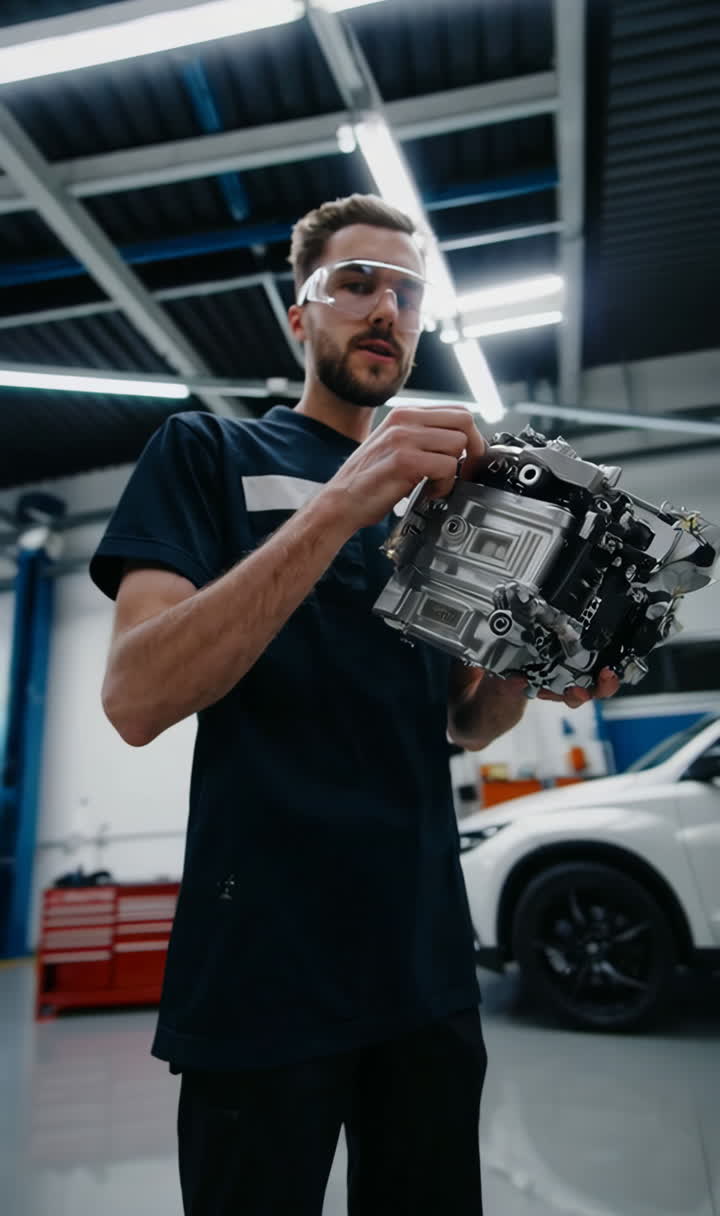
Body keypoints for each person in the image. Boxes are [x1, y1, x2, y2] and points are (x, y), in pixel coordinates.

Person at [91, 194, 619, 1215]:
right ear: (300, 315)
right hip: (262, 967)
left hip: (422, 961)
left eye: (409, 291)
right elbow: (136, 693)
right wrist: (340, 503)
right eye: (358, 282)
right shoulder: (206, 455)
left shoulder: (451, 505)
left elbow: (465, 721)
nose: (388, 306)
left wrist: (535, 652)